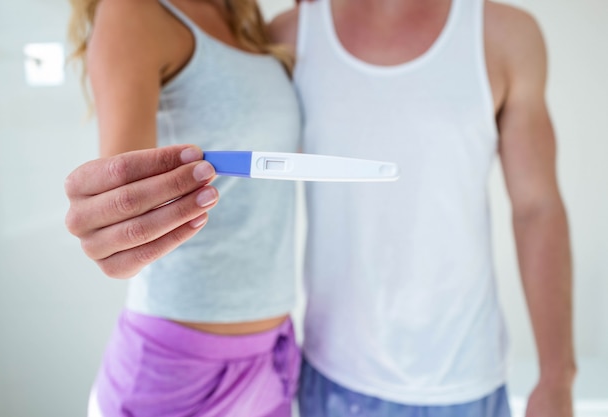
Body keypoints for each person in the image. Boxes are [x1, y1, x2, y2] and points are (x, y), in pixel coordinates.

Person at [269, 0, 575, 416]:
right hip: (334, 377)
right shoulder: (289, 36)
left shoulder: (505, 34)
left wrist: (557, 376)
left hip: (465, 381)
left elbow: (537, 209)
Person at [64, 0, 302, 415]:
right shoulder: (133, 12)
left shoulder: (245, 23)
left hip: (274, 352)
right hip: (177, 365)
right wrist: (112, 232)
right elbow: (121, 211)